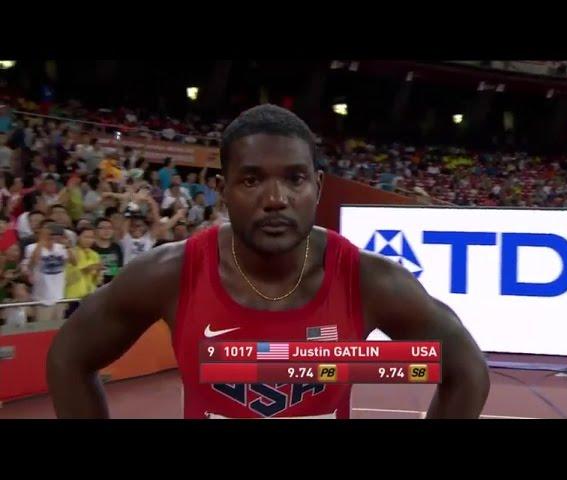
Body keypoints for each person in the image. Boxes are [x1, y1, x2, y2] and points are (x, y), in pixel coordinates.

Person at [47, 105, 489, 419]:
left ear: (317, 186)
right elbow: (68, 357)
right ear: (223, 189)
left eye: (294, 179)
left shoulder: (370, 280)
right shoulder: (171, 274)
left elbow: (468, 371)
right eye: (252, 179)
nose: (275, 199)